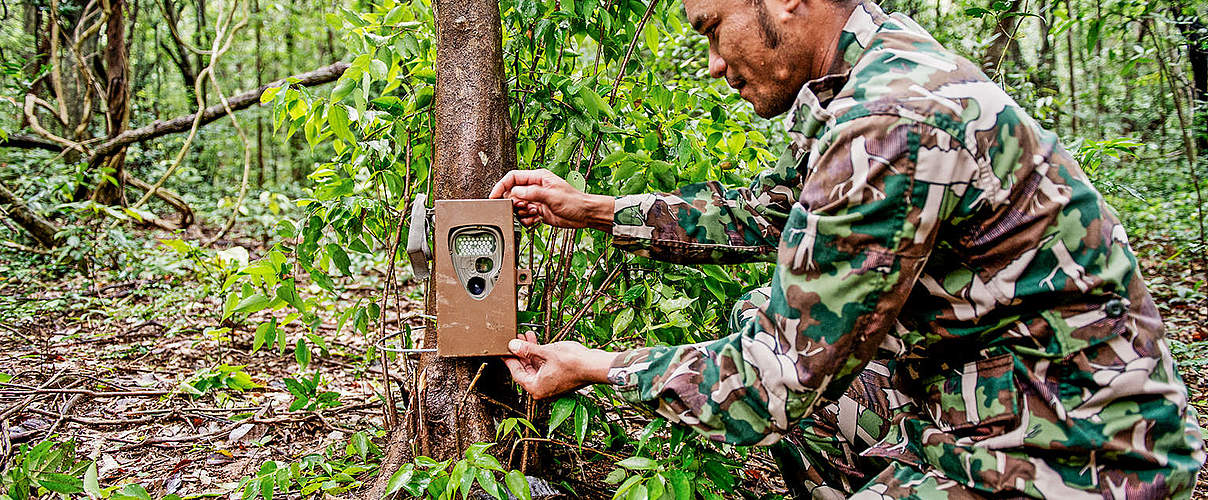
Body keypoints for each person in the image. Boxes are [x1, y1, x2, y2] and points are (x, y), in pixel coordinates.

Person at [488, 0, 1207, 496]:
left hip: (1083, 452)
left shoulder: (892, 116)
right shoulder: (865, 76)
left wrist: (597, 367)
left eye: (713, 29)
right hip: (997, 398)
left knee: (786, 384)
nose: (713, 61)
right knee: (802, 377)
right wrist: (594, 211)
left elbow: (769, 381)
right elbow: (778, 213)